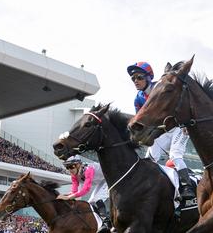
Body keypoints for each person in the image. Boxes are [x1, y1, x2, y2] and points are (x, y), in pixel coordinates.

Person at [127, 61, 196, 201]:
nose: (136, 81)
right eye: (133, 78)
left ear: (148, 77)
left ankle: (186, 185)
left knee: (175, 156)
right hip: (161, 131)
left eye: (139, 77)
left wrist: (186, 124)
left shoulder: (161, 85)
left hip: (178, 128)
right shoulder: (138, 99)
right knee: (149, 160)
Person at [57, 156, 111, 233]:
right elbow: (74, 191)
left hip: (108, 177)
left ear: (78, 165)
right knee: (90, 203)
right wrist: (64, 196)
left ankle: (106, 222)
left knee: (97, 198)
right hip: (101, 180)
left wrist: (68, 197)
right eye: (67, 167)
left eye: (71, 166)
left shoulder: (89, 169)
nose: (70, 170)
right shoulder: (74, 176)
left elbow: (86, 189)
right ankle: (101, 225)